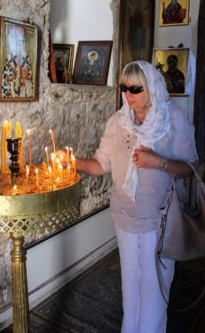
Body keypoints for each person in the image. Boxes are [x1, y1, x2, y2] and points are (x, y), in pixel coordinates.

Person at [75, 61, 198, 333]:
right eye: (124, 87)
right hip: (125, 218)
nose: (128, 94)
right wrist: (71, 162)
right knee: (130, 288)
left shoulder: (172, 120)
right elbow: (100, 165)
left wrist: (158, 163)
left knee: (154, 293)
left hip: (160, 220)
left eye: (135, 88)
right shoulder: (117, 122)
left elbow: (191, 169)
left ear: (151, 88)